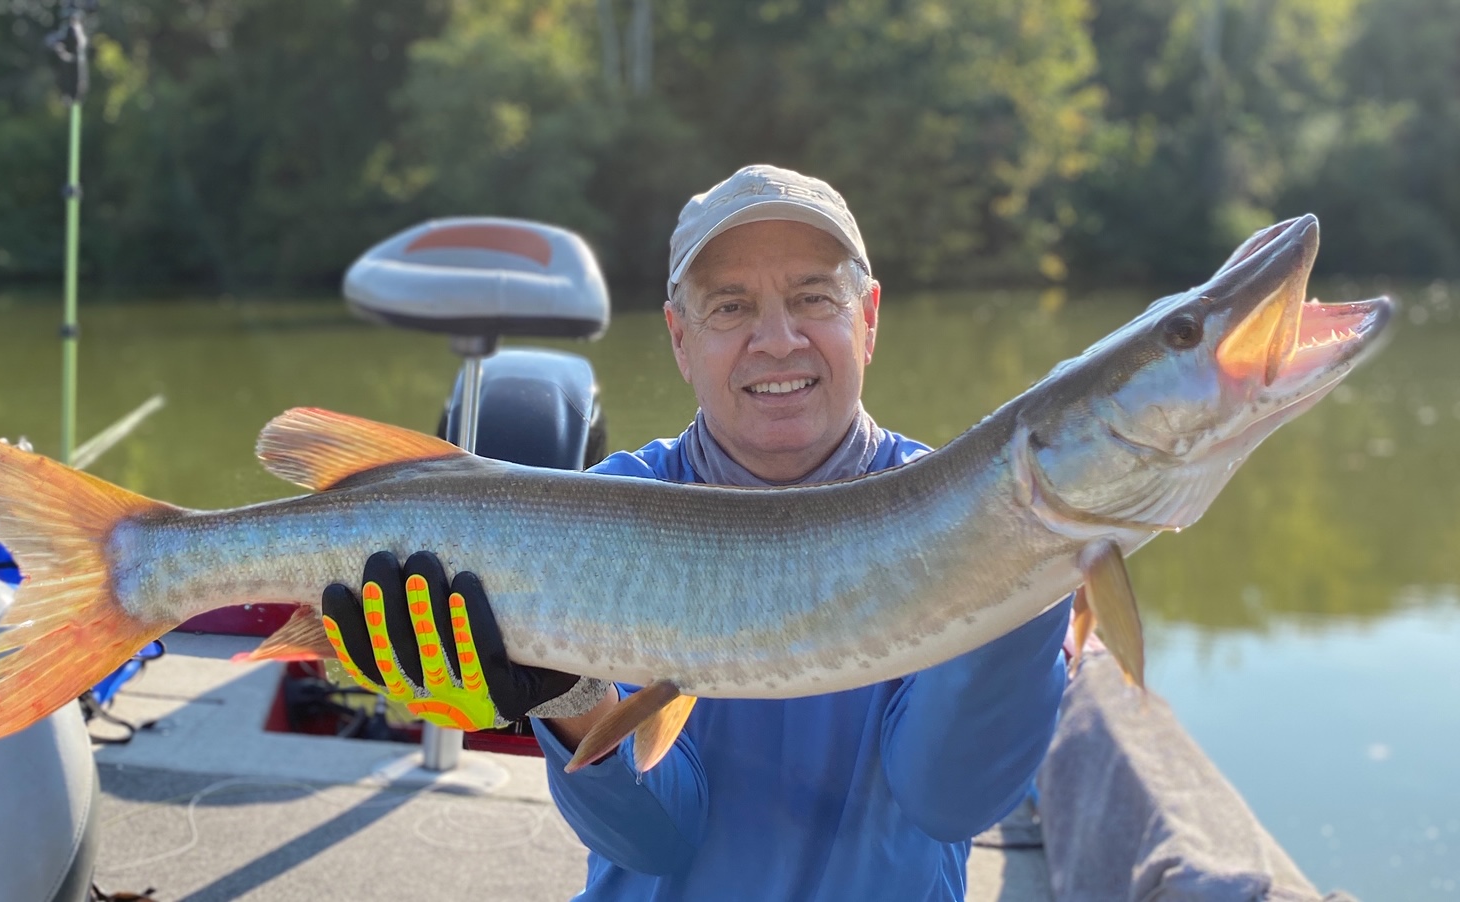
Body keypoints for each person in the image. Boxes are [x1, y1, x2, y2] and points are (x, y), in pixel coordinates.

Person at [321, 164, 1072, 900]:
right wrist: (567, 694)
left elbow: (952, 800)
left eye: (814, 297)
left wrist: (1030, 562)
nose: (777, 340)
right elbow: (653, 840)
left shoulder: (961, 509)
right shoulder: (609, 502)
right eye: (730, 307)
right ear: (680, 339)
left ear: (868, 318)